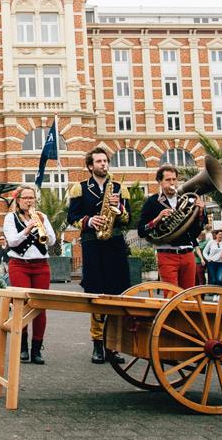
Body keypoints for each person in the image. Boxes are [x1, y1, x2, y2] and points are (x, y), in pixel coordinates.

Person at [67, 147, 130, 365]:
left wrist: (119, 209)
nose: (103, 164)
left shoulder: (120, 188)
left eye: (105, 161)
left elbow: (127, 219)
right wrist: (89, 221)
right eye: (99, 161)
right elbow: (71, 217)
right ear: (90, 166)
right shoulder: (80, 188)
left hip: (115, 244)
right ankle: (97, 344)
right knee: (96, 293)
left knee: (116, 294)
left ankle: (112, 345)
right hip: (93, 244)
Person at [4, 184, 56, 364]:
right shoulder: (10, 218)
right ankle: (23, 347)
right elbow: (12, 241)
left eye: (31, 198)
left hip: (41, 265)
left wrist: (42, 227)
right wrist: (27, 229)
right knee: (22, 305)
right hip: (19, 264)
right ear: (18, 201)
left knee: (40, 306)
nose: (29, 201)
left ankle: (37, 348)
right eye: (25, 198)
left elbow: (52, 240)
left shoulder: (42, 216)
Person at [137, 164, 206, 291]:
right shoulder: (152, 202)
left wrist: (200, 213)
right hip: (166, 254)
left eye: (174, 179)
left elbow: (195, 232)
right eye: (168, 180)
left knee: (189, 295)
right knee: (171, 296)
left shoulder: (187, 200)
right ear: (160, 182)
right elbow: (141, 231)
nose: (172, 183)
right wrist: (157, 220)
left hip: (188, 253)